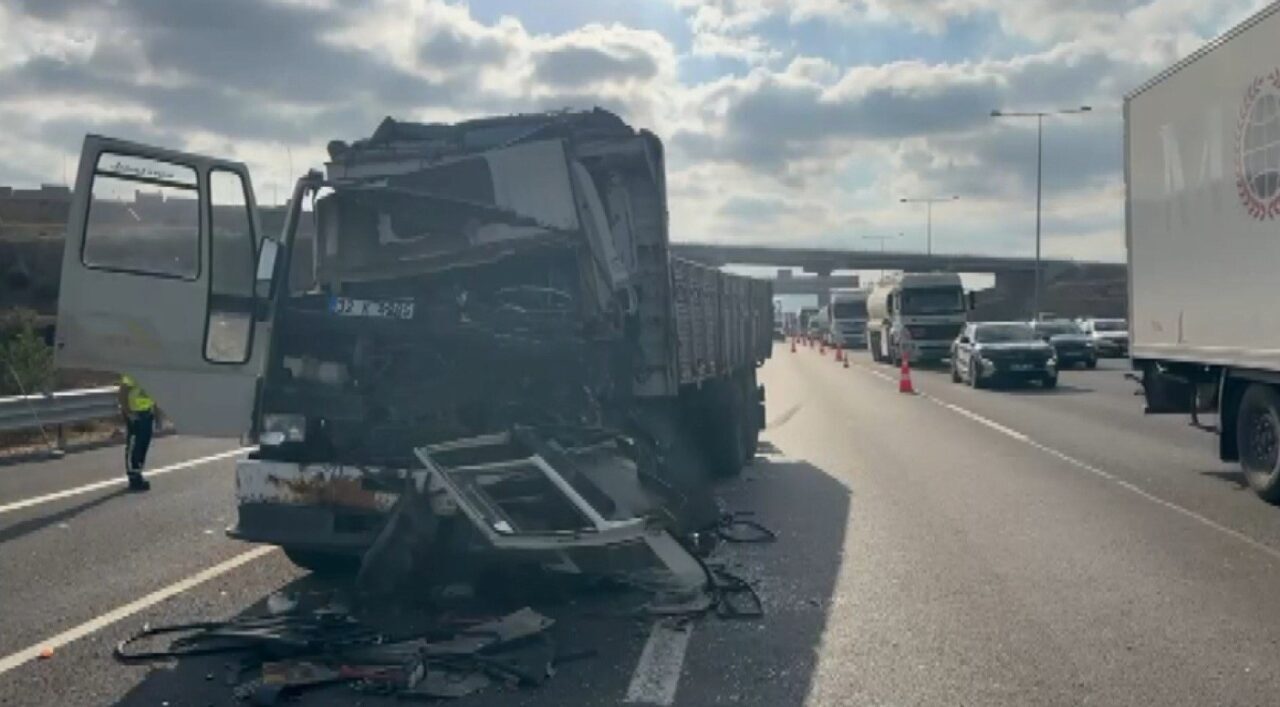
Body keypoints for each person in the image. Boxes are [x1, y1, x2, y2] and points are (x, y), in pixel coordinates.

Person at [118, 374, 156, 491]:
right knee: (134, 443)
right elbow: (123, 393)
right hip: (135, 414)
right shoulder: (133, 372)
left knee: (143, 443)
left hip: (147, 412)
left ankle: (138, 472)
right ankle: (133, 477)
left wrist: (155, 412)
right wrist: (128, 412)